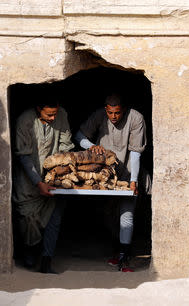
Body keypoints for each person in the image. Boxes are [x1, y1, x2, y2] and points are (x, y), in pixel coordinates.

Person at [75, 93, 146, 272]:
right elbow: (79, 135)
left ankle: (124, 256)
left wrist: (134, 180)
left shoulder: (136, 118)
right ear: (106, 109)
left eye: (118, 113)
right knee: (107, 213)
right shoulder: (99, 115)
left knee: (126, 214)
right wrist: (90, 146)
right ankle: (117, 250)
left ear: (124, 109)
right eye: (110, 113)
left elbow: (136, 152)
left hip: (129, 171)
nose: (114, 117)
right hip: (104, 175)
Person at [12, 97, 74, 274]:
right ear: (38, 109)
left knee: (54, 220)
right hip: (28, 183)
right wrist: (38, 182)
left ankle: (47, 260)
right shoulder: (24, 121)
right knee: (27, 219)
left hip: (54, 180)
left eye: (55, 113)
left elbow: (65, 144)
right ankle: (29, 253)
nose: (53, 118)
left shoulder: (61, 115)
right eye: (49, 114)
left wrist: (60, 168)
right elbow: (23, 155)